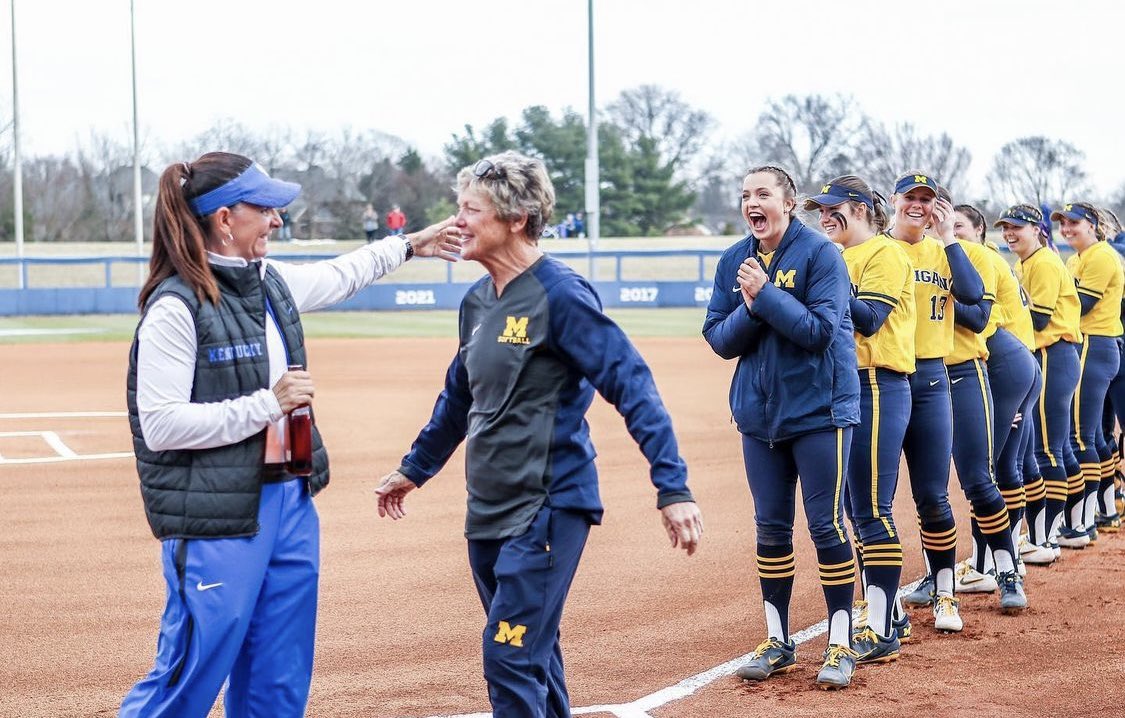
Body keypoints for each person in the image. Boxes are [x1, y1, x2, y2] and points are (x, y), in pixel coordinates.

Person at [119, 151, 461, 718]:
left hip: (290, 501)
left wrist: (407, 244)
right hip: (218, 514)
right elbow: (160, 425)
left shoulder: (268, 281)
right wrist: (267, 404)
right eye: (267, 208)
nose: (278, 219)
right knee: (190, 673)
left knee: (278, 676)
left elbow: (339, 275)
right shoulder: (175, 307)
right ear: (226, 219)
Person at [373, 150, 702, 717]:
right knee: (533, 654)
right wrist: (415, 468)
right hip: (489, 511)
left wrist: (672, 488)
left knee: (509, 657)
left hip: (548, 505)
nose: (458, 222)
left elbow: (632, 384)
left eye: (470, 210)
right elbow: (458, 396)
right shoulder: (477, 301)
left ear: (516, 217)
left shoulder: (561, 294)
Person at [704, 165, 861, 689]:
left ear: (788, 203)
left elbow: (819, 332)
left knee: (827, 526)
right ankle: (778, 639)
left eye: (763, 194)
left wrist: (764, 296)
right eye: (746, 194)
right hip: (760, 418)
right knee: (771, 528)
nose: (753, 202)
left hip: (819, 413)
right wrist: (755, 303)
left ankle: (841, 642)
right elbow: (719, 339)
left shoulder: (821, 255)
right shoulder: (734, 259)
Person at [805, 175, 915, 664]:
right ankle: (889, 612)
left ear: (861, 207)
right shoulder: (837, 256)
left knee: (872, 508)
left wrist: (826, 283)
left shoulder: (886, 253)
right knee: (855, 507)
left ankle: (883, 627)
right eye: (820, 210)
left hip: (878, 383)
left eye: (833, 208)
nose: (824, 217)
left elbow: (869, 318)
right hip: (844, 387)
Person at [889, 172, 984, 634]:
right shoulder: (873, 248)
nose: (918, 205)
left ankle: (946, 592)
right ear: (894, 200)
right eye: (911, 197)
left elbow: (971, 297)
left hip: (930, 377)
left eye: (927, 200)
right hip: (884, 379)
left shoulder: (944, 252)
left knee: (932, 494)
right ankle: (882, 602)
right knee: (875, 500)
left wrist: (948, 239)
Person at [939, 191, 1029, 614]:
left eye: (953, 220)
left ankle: (1005, 568)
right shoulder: (897, 252)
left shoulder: (978, 256)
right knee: (930, 488)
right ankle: (942, 579)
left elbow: (977, 319)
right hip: (923, 377)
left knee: (981, 476)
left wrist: (939, 291)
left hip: (981, 368)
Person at [953, 204, 1046, 568]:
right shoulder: (979, 259)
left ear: (977, 230)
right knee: (1009, 465)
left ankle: (986, 562)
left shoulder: (981, 259)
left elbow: (980, 320)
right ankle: (1012, 549)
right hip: (1019, 359)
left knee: (988, 471)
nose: (952, 232)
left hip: (1004, 363)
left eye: (959, 226)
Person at [1001, 203, 1081, 559]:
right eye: (1005, 227)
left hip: (1054, 354)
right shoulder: (1026, 263)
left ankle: (1045, 538)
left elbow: (1039, 320)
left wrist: (997, 314)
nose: (1009, 233)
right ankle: (1064, 529)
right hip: (1049, 356)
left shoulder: (1045, 262)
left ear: (1037, 229)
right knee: (1054, 447)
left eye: (1018, 227)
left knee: (1048, 449)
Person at [1055, 202, 1124, 544]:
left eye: (1074, 223)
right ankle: (1107, 510)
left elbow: (1081, 304)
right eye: (1064, 223)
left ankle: (1081, 524)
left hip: (1093, 345)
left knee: (1080, 437)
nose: (1067, 229)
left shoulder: (1101, 255)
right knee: (1094, 436)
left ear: (1093, 225)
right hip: (1095, 345)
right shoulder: (1075, 259)